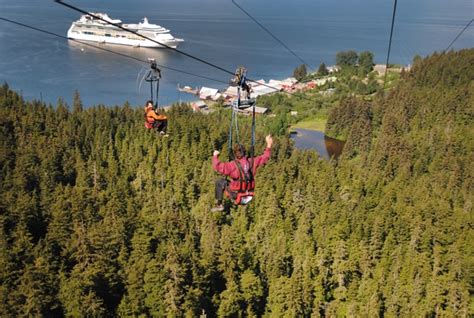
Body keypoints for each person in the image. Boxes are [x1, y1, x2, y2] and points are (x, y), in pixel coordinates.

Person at [211, 135, 273, 211]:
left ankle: (219, 204)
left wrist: (215, 156)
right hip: (248, 193)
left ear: (235, 154)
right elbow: (265, 157)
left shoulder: (232, 165)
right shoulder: (252, 162)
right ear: (245, 153)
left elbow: (217, 166)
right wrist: (269, 145)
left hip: (236, 194)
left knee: (219, 182)